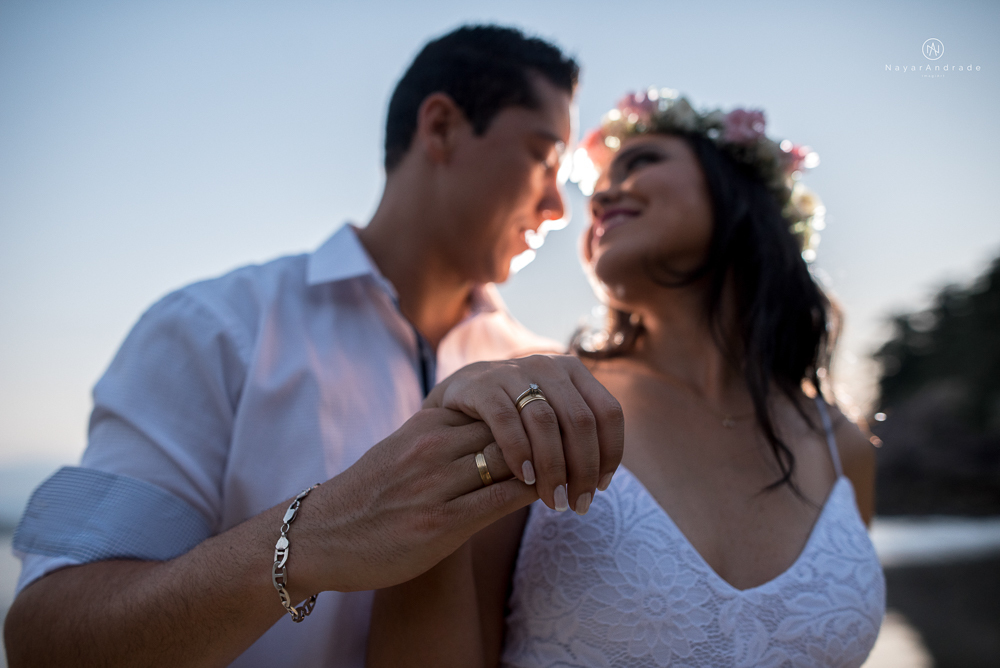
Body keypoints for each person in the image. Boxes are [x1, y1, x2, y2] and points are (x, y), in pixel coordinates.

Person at [3, 26, 625, 667]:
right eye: (542, 159)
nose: (557, 206)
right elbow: (44, 638)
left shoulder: (547, 375)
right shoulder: (214, 327)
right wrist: (315, 534)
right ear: (439, 127)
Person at [366, 89, 886, 667]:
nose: (604, 195)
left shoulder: (841, 448)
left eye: (642, 163)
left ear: (742, 189)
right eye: (596, 190)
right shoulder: (544, 411)